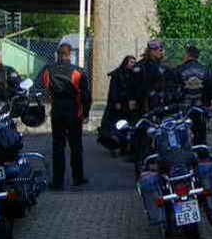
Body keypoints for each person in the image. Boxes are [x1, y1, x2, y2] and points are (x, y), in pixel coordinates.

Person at [42, 43, 92, 190]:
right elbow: (86, 96)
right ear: (70, 54)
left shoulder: (48, 70)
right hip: (74, 111)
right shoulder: (78, 71)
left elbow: (46, 89)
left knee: (58, 146)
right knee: (76, 145)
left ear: (58, 54)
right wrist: (86, 113)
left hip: (57, 110)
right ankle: (78, 177)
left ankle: (58, 181)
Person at [174, 45, 212, 145]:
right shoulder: (206, 70)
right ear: (197, 56)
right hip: (201, 109)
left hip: (183, 110)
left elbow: (173, 91)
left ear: (187, 55)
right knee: (201, 138)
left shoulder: (178, 70)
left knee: (182, 139)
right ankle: (200, 151)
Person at [100, 55, 140, 157]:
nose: (133, 65)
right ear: (126, 62)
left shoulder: (133, 74)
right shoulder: (118, 74)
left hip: (127, 105)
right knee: (115, 127)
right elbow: (114, 90)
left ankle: (124, 147)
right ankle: (114, 147)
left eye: (134, 63)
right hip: (118, 105)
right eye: (131, 62)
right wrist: (116, 102)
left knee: (126, 126)